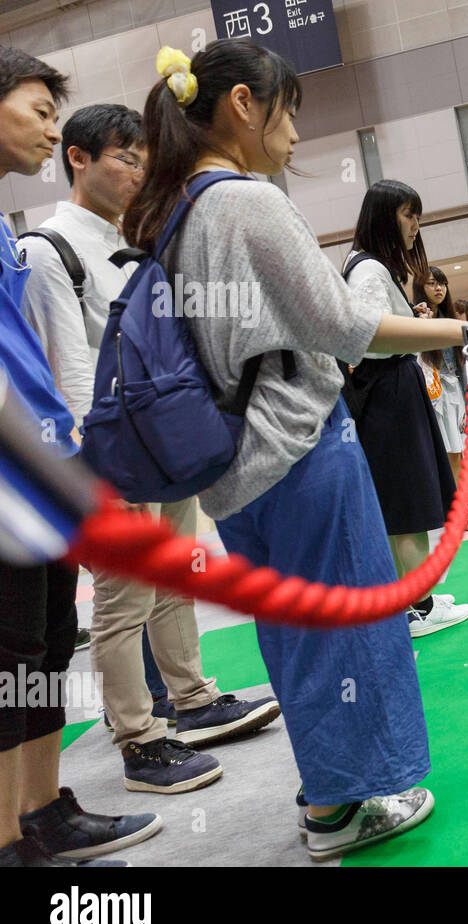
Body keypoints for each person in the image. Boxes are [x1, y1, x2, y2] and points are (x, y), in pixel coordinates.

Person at [122, 39, 468, 860]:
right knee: (349, 632)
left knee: (296, 640)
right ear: (243, 104)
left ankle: (327, 798)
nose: (296, 137)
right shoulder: (245, 202)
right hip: (300, 452)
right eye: (289, 114)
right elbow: (344, 326)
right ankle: (346, 806)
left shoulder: (172, 217)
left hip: (232, 476)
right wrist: (464, 328)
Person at [19, 102, 279, 796]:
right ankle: (138, 736)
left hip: (163, 442)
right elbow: (66, 368)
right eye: (122, 157)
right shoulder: (50, 248)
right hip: (110, 454)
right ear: (78, 158)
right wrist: (96, 465)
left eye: (142, 158)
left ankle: (191, 699)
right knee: (120, 602)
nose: (137, 170)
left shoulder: (131, 237)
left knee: (175, 581)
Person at [0, 45, 158, 867]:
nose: (47, 127)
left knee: (45, 647)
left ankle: (41, 812)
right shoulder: (42, 246)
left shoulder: (1, 225)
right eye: (36, 110)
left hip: (42, 464)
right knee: (8, 654)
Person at [342, 181, 468, 639]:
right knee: (406, 504)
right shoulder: (368, 271)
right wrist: (446, 332)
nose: (416, 225)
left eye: (417, 214)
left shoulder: (372, 268)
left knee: (408, 499)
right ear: (383, 217)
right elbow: (373, 337)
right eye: (407, 214)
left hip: (393, 389)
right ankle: (418, 605)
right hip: (387, 393)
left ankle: (418, 599)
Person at [416, 267, 468, 532]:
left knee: (456, 455)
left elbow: (462, 363)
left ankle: (461, 512)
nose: (438, 288)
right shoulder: (415, 316)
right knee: (437, 456)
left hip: (452, 392)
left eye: (441, 283)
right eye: (432, 283)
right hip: (429, 393)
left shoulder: (452, 318)